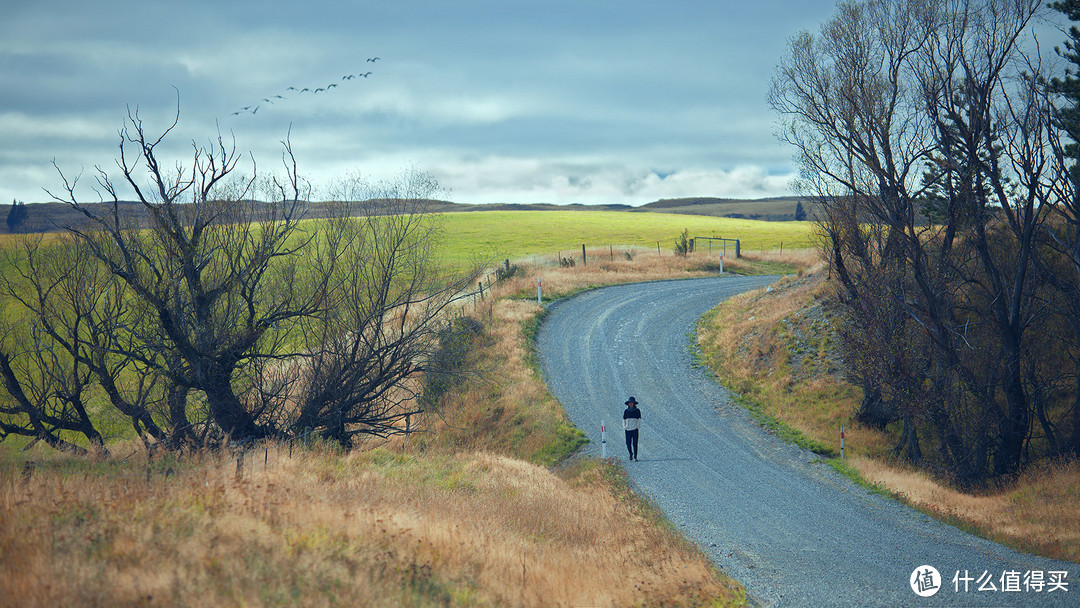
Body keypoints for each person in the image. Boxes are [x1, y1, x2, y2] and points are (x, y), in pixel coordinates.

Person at [622, 396, 641, 461]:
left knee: (635, 443)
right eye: (629, 403)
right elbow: (624, 419)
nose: (630, 404)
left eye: (631, 403)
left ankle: (635, 456)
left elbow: (639, 419)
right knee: (628, 443)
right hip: (627, 429)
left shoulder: (637, 411)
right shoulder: (626, 411)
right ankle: (631, 453)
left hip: (634, 429)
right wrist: (624, 427)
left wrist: (637, 427)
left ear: (634, 403)